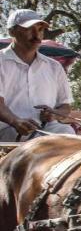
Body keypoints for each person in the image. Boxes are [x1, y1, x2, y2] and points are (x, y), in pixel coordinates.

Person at [0, 9, 76, 142]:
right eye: (29, 29)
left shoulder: (54, 67)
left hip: (47, 129)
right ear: (12, 32)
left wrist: (55, 115)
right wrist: (15, 121)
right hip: (8, 129)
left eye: (40, 29)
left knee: (69, 135)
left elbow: (65, 107)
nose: (37, 35)